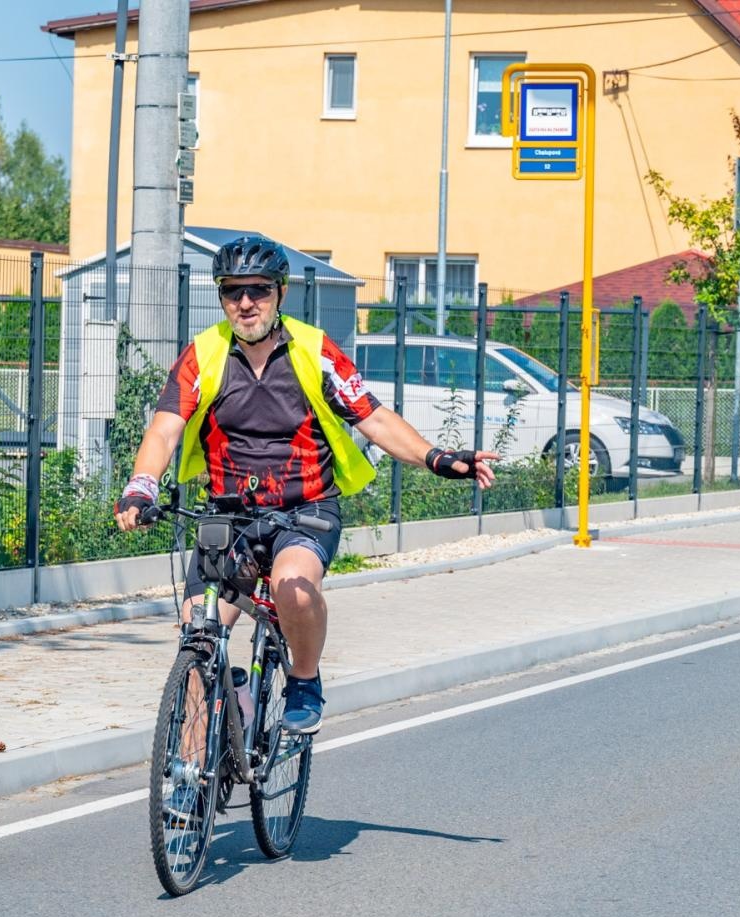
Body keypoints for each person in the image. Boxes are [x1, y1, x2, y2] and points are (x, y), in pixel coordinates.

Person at [116, 235, 495, 734]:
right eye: (233, 292)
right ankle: (188, 788)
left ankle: (303, 677)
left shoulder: (315, 351)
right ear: (222, 297)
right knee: (198, 636)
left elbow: (374, 420)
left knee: (290, 588)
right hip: (229, 514)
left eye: (259, 291)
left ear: (280, 294)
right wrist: (141, 485)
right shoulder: (203, 355)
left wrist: (437, 457)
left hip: (305, 509)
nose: (246, 303)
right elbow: (166, 427)